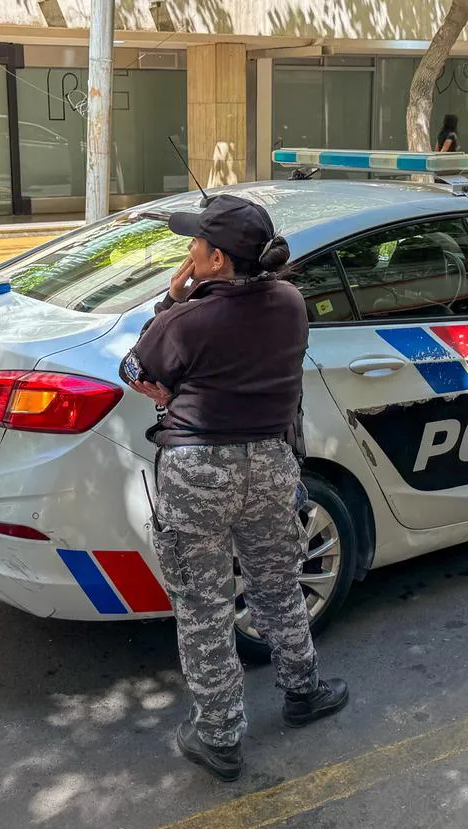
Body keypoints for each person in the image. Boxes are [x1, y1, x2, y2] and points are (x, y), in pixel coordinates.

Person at [118, 194, 349, 783]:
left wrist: (171, 300)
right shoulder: (291, 302)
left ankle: (219, 737)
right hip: (272, 464)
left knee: (203, 605)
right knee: (277, 584)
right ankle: (304, 690)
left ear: (217, 259)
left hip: (199, 472)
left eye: (196, 243)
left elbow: (135, 371)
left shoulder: (188, 317)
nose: (189, 250)